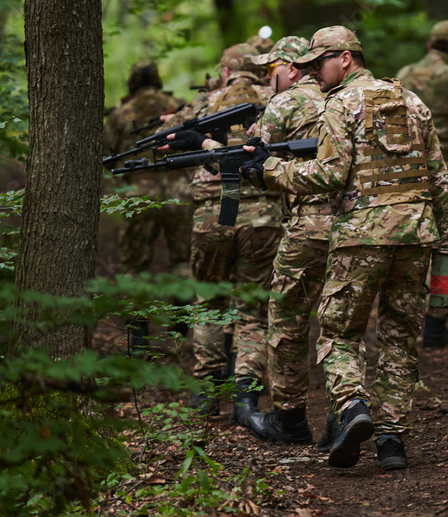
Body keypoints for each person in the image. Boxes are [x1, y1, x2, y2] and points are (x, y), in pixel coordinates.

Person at [240, 26, 448, 471]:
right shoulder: (411, 100)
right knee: (399, 338)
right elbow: (439, 177)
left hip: (361, 234)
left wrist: (269, 170)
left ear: (345, 58)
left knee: (340, 333)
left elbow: (328, 176)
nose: (314, 74)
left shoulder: (341, 104)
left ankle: (354, 404)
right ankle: (392, 442)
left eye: (319, 63)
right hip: (417, 234)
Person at [162, 42, 283, 425]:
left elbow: (169, 137)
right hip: (261, 215)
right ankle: (246, 397)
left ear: (226, 72)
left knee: (210, 304)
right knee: (252, 309)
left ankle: (206, 396)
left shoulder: (207, 100)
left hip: (213, 215)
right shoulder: (276, 99)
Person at [239, 35, 333, 445]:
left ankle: (290, 419)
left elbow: (249, 155)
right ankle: (345, 415)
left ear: (293, 67)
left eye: (271, 68)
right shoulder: (344, 98)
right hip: (360, 224)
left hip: (309, 225)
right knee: (342, 326)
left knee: (288, 320)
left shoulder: (286, 102)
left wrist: (205, 146)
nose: (267, 77)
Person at [103, 60, 192, 354]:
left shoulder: (120, 114)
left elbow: (108, 154)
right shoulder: (178, 106)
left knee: (133, 266)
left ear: (131, 83)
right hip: (180, 188)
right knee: (183, 261)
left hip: (138, 191)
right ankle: (182, 331)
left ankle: (139, 340)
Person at [395, 19, 448, 348]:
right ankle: (436, 323)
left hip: (406, 174)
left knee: (411, 242)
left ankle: (404, 319)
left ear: (430, 45)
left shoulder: (404, 75)